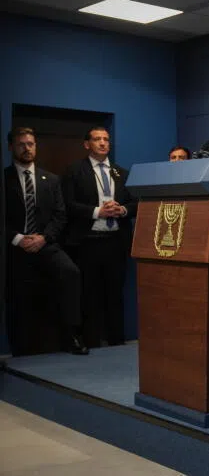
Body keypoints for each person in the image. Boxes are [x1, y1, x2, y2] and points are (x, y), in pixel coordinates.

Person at [4, 127, 89, 355]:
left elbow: (60, 215)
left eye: (30, 144)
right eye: (21, 144)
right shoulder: (4, 179)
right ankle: (20, 349)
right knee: (17, 293)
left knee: (71, 272)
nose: (27, 148)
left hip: (46, 244)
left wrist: (43, 238)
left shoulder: (50, 179)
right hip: (14, 247)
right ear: (11, 147)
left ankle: (73, 336)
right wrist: (18, 239)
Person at [61, 127, 138, 347]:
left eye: (106, 139)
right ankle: (92, 343)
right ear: (87, 144)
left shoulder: (121, 173)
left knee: (115, 296)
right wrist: (97, 212)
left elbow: (136, 204)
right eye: (97, 139)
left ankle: (117, 342)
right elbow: (67, 205)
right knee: (89, 296)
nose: (103, 143)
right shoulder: (74, 170)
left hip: (116, 242)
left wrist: (122, 210)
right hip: (87, 243)